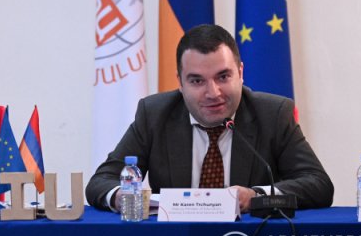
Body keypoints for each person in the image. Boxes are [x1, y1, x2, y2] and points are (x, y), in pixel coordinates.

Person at [86, 24, 334, 212]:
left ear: (240, 73)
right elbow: (102, 181)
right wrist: (120, 196)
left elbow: (319, 185)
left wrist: (256, 196)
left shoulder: (273, 114)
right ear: (180, 83)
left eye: (223, 77)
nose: (213, 93)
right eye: (197, 81)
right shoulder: (154, 114)